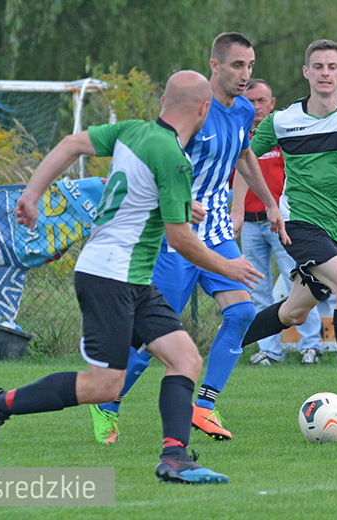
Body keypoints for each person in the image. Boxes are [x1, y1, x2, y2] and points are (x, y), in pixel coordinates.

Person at [0, 70, 264, 484]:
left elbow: (73, 144)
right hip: (110, 276)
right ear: (203, 109)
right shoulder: (175, 159)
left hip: (128, 277)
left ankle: (175, 458)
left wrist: (32, 194)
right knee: (104, 386)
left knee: (184, 359)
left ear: (163, 102)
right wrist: (228, 266)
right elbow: (181, 240)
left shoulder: (133, 131)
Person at [90, 32, 287, 444]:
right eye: (237, 65)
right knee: (151, 336)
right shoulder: (194, 112)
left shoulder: (243, 112)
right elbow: (158, 155)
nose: (245, 75)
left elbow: (245, 154)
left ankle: (205, 405)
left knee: (241, 313)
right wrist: (173, 202)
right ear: (214, 65)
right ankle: (107, 400)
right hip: (176, 235)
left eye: (250, 66)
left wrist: (269, 202)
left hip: (216, 232)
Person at [241, 39, 337, 411]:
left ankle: (227, 340)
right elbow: (244, 156)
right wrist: (251, 205)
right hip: (298, 225)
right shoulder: (283, 120)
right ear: (306, 73)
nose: (325, 73)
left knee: (293, 312)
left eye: (331, 67)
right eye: (318, 67)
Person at [230, 78, 324, 366]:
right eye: (251, 100)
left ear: (271, 105)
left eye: (262, 101)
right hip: (250, 224)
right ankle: (270, 350)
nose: (256, 107)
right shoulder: (237, 135)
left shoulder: (282, 135)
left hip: (281, 222)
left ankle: (311, 346)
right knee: (257, 288)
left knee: (300, 281)